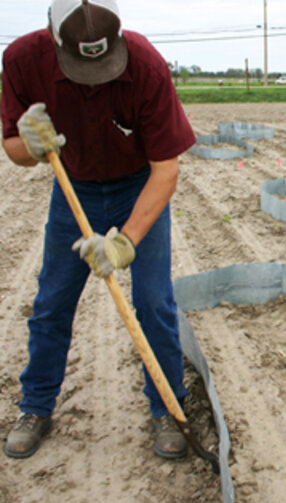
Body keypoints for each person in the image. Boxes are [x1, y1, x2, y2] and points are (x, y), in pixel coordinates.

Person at [1, 0, 195, 460]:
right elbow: (13, 147)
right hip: (75, 190)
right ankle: (36, 406)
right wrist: (29, 144)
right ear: (54, 38)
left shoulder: (145, 66)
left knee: (153, 301)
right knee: (52, 302)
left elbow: (166, 172)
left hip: (138, 186)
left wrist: (125, 241)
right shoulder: (22, 59)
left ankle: (167, 408)